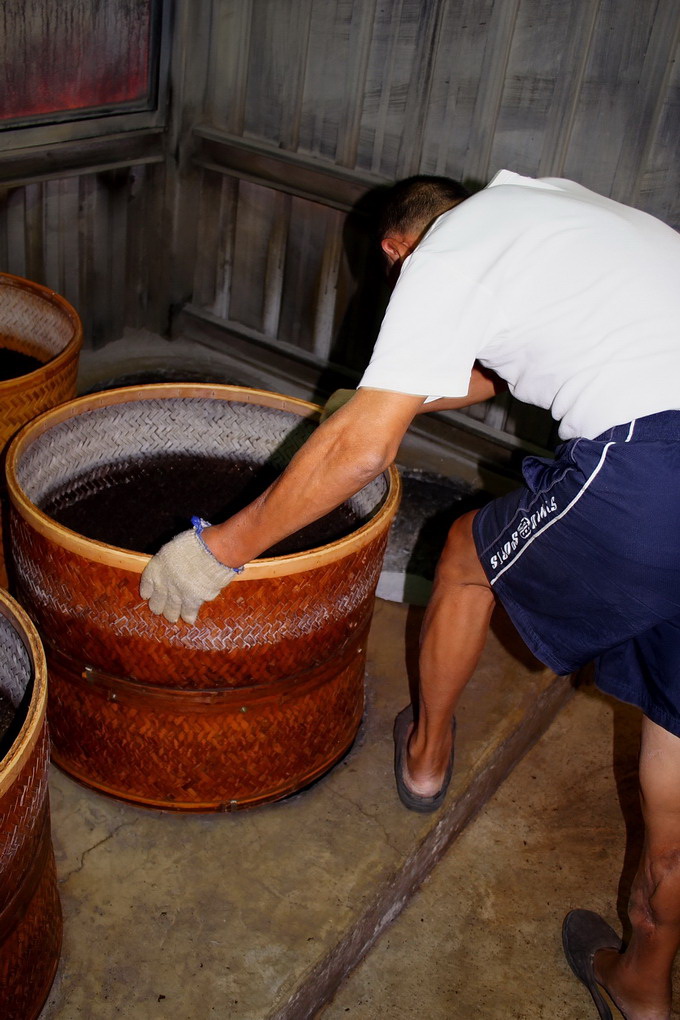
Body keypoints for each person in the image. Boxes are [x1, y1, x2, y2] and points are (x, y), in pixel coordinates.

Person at [140, 170, 680, 1019]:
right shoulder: (556, 212)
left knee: (466, 555)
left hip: (655, 464)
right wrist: (385, 399)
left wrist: (219, 551)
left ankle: (426, 757)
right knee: (674, 724)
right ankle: (646, 983)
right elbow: (497, 375)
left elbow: (359, 456)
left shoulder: (449, 247)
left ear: (399, 249)